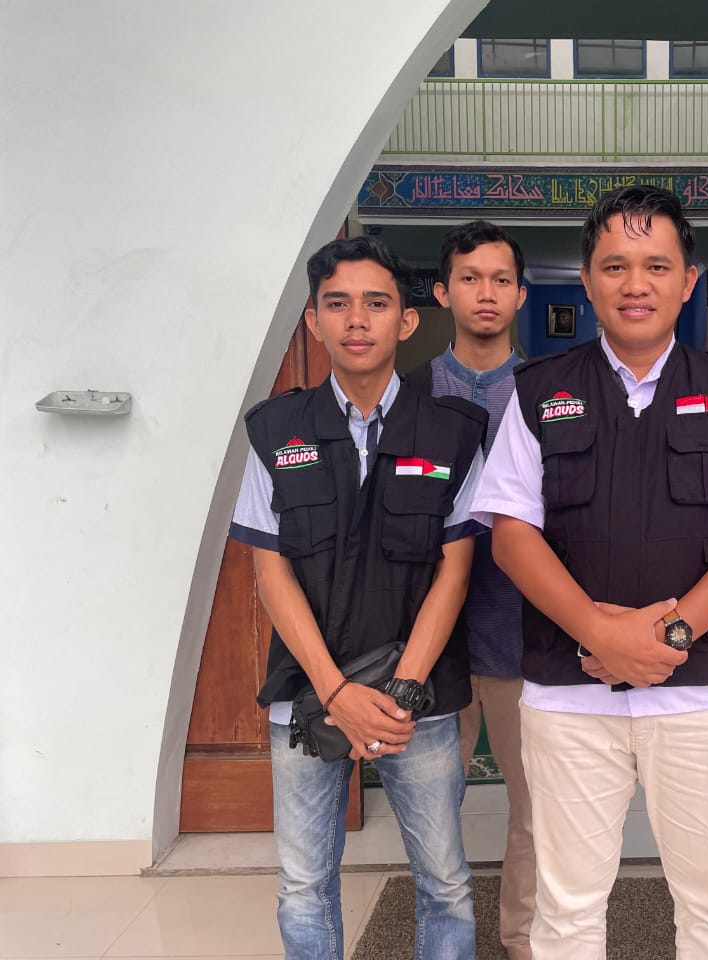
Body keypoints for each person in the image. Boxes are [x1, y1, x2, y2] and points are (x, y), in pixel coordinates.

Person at [470, 184, 708, 959]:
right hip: (568, 695)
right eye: (615, 265)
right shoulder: (538, 392)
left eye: (657, 265)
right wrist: (599, 633)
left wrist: (670, 633)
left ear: (688, 281)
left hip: (701, 694)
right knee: (566, 909)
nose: (635, 284)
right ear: (587, 282)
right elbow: (512, 535)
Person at [228, 235, 486, 960]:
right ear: (314, 321)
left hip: (417, 702)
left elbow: (454, 573)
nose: (357, 320)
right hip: (308, 696)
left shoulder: (453, 433)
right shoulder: (275, 431)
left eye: (377, 303)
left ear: (407, 320)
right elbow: (271, 573)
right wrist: (336, 692)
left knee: (446, 883)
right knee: (303, 885)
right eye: (337, 304)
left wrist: (401, 693)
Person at [424, 220, 536, 960]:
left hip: (524, 635)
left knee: (537, 808)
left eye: (500, 279)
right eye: (470, 278)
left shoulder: (549, 396)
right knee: (432, 810)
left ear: (521, 294)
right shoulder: (409, 397)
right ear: (443, 292)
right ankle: (449, 939)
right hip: (429, 644)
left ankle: (522, 938)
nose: (485, 293)